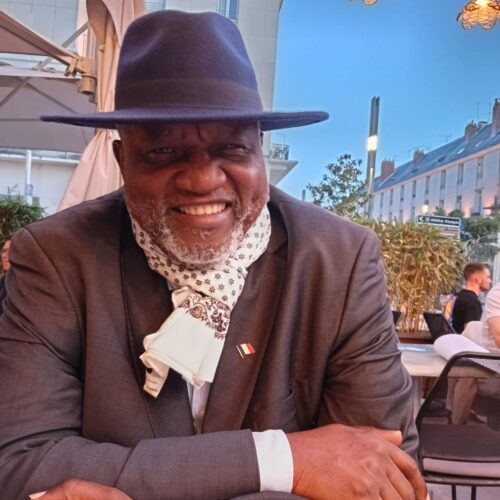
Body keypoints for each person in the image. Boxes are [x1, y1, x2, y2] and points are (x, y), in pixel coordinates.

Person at [0, 10, 426, 500]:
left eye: (231, 148)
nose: (203, 180)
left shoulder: (340, 261)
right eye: (164, 152)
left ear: (260, 152)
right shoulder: (56, 257)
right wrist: (283, 459)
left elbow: (386, 475)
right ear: (122, 161)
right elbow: (20, 463)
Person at [451, 262, 491, 333]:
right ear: (478, 279)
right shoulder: (472, 301)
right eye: (488, 277)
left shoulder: (459, 296)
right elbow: (472, 333)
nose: (490, 281)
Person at [0, 238, 11, 314]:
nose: (3, 255)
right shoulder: (4, 280)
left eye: (9, 252)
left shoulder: (27, 284)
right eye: (3, 251)